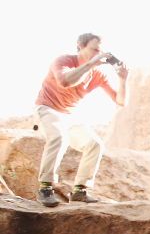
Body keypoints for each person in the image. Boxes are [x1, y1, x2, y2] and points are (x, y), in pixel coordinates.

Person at [33, 32, 128, 206]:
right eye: (94, 49)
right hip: (48, 108)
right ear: (80, 47)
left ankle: (79, 191)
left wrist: (122, 79)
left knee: (95, 144)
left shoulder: (98, 74)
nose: (98, 54)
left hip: (69, 115)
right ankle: (45, 187)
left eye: (100, 50)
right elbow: (65, 82)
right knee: (59, 138)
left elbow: (120, 101)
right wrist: (91, 63)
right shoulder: (63, 61)